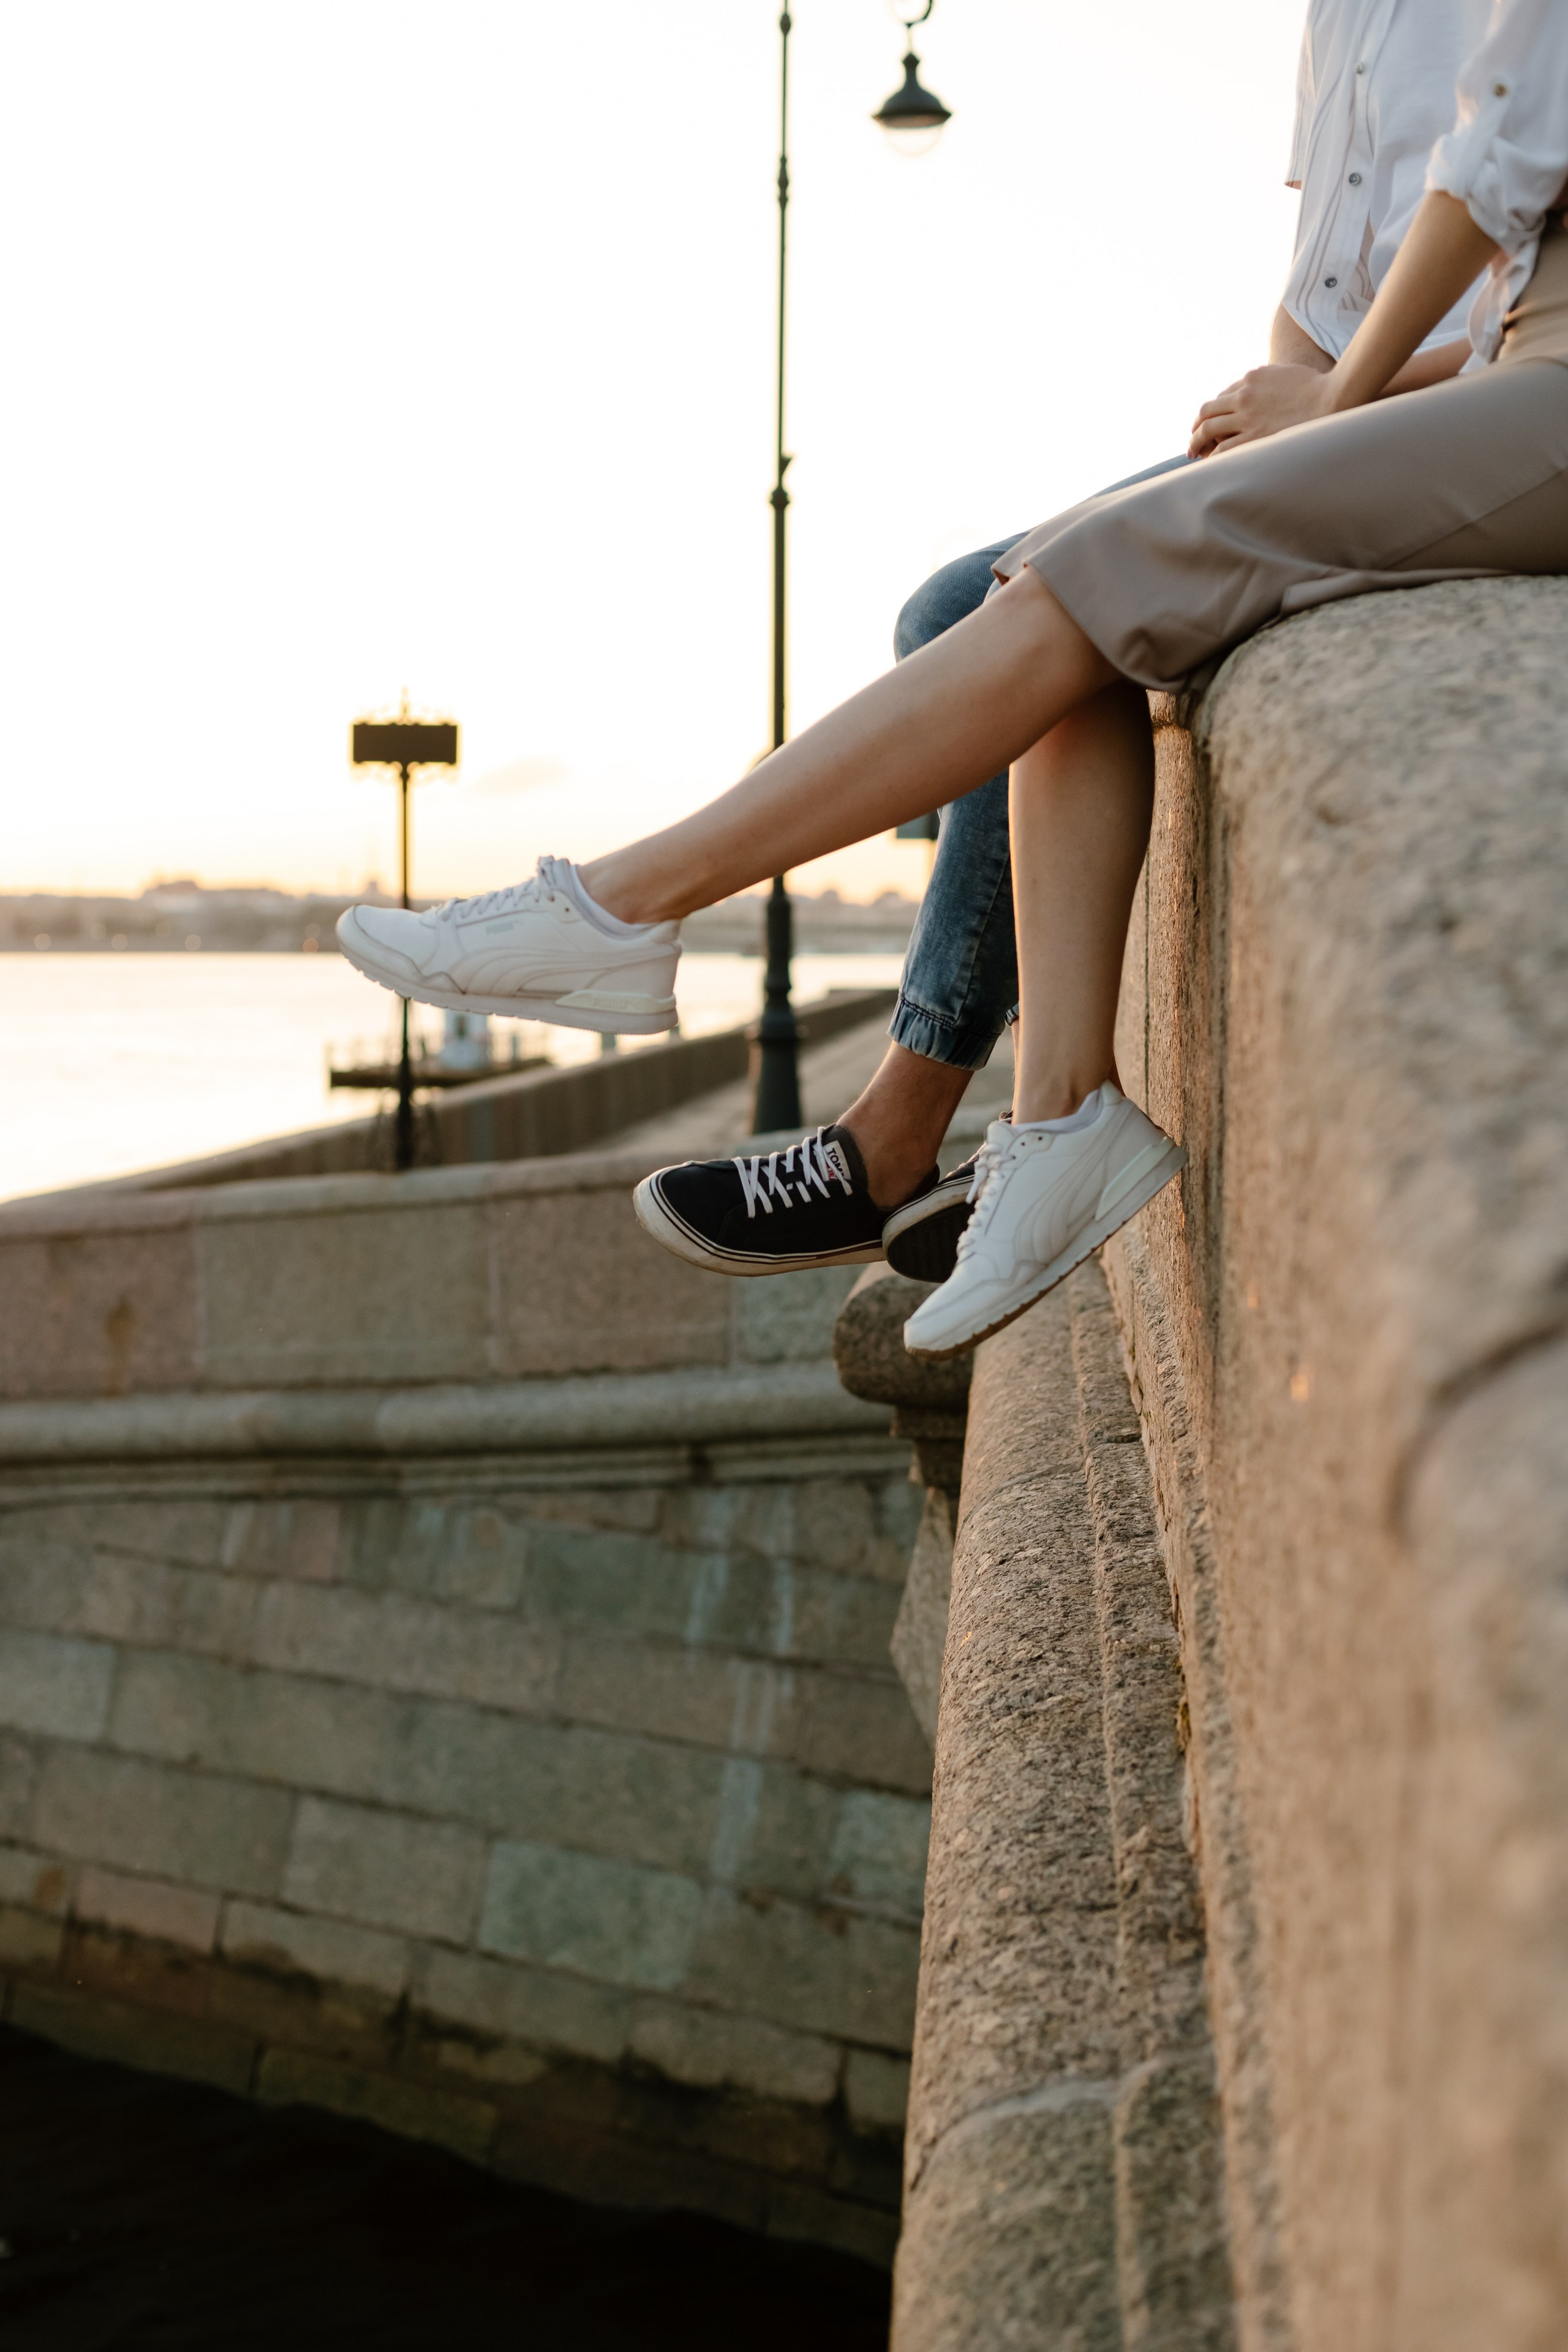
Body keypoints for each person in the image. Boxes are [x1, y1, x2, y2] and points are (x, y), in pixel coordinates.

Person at [339, 0, 1568, 1360]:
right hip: (1438, 378)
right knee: (1036, 586)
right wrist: (1283, 422)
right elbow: (1333, 257)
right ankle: (1027, 1109)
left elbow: (1494, 165)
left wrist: (1333, 413)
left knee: (1068, 587)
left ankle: (667, 941)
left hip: (1479, 380)